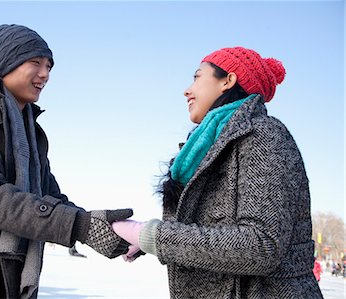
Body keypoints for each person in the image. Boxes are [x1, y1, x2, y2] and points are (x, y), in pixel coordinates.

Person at [0, 24, 132, 299]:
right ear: (7, 62)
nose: (45, 74)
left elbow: (51, 196)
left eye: (49, 66)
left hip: (8, 280)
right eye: (35, 62)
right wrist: (80, 225)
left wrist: (114, 229)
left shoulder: (33, 134)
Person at [112, 46, 324, 298]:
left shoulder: (264, 135)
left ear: (228, 80)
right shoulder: (208, 149)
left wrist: (151, 235)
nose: (187, 90)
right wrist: (151, 242)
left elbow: (262, 244)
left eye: (197, 77)